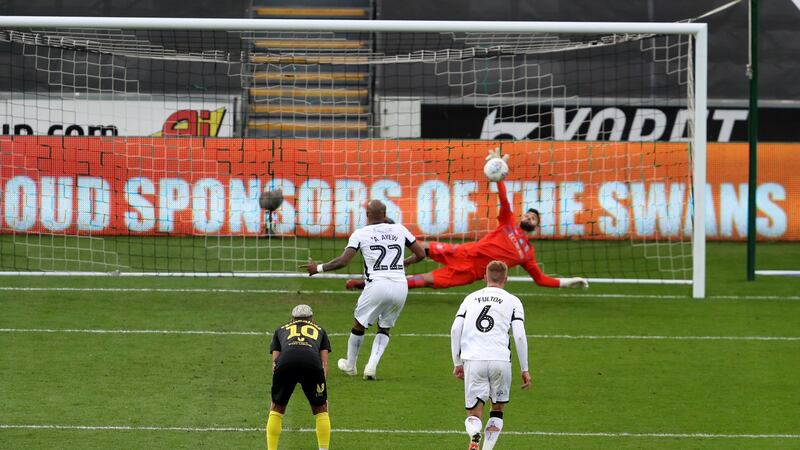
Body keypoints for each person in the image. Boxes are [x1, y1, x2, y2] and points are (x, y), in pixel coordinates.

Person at [346, 148, 589, 292]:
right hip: (462, 252)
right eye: (528, 213)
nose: (528, 217)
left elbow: (541, 279)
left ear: (536, 228)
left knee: (420, 282)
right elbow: (504, 200)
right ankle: (388, 234)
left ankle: (368, 285)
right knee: (423, 247)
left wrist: (568, 282)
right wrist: (498, 173)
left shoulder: (527, 254)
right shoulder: (509, 223)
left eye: (534, 218)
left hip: (471, 272)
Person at [303, 199, 426, 380]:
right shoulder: (400, 229)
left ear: (367, 216)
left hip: (377, 285)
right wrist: (404, 263)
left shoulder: (360, 233)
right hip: (401, 285)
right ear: (385, 215)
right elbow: (421, 254)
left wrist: (318, 268)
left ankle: (351, 365)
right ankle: (371, 367)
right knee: (384, 328)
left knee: (359, 324)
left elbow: (343, 261)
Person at [451, 260, 530, 450]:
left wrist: (457, 362)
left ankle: (474, 434)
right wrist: (525, 368)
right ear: (506, 278)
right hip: (500, 360)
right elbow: (519, 336)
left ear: (485, 277)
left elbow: (455, 329)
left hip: (473, 359)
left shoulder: (470, 298)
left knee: (474, 413)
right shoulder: (513, 301)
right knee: (497, 410)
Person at [266, 304, 332, 450]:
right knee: (321, 408)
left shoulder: (281, 329)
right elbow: (324, 363)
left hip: (285, 363)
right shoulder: (320, 330)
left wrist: (279, 390)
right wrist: (321, 388)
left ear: (292, 319)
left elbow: (275, 364)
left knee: (276, 408)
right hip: (312, 364)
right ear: (311, 319)